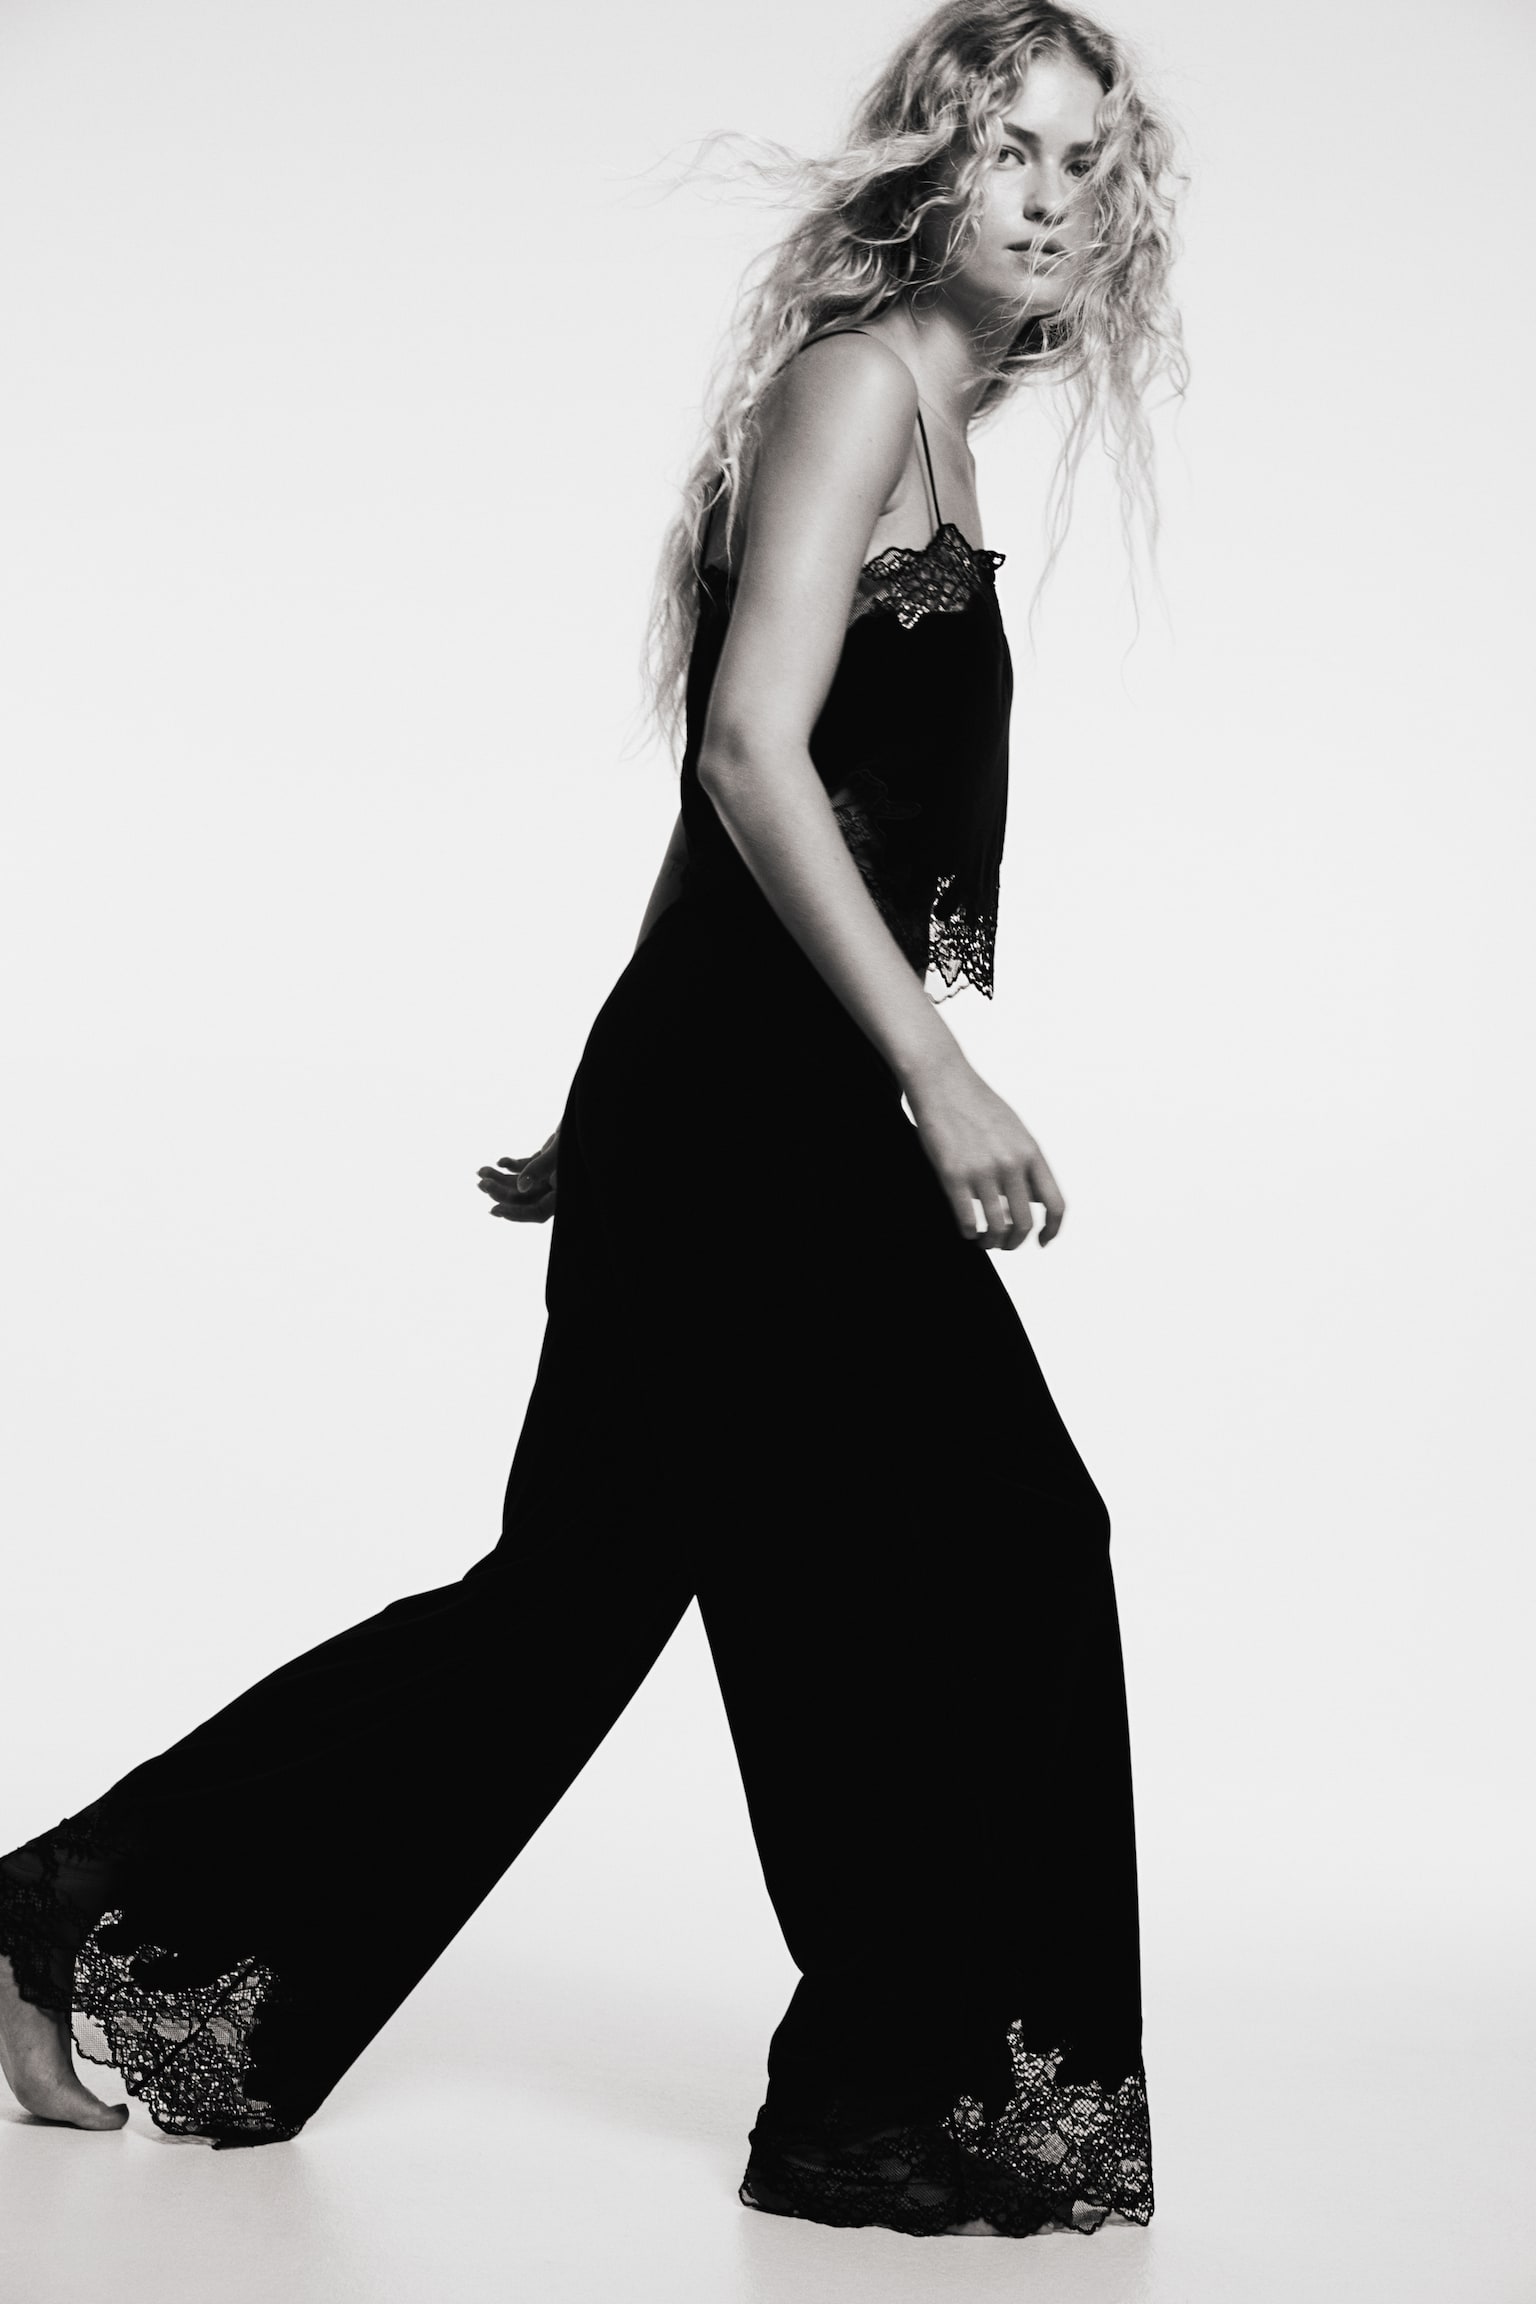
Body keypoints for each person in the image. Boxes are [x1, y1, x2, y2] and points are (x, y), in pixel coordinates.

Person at [0, 0, 1184, 2240]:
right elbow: (746, 752)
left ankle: (60, 1907)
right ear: (927, 161)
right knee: (995, 1544)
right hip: (771, 1107)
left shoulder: (939, 415)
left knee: (578, 1602)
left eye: (1086, 161)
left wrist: (610, 1085)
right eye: (1013, 148)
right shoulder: (856, 384)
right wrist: (930, 1069)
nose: (1053, 196)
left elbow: (741, 807)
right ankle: (875, 2100)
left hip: (730, 1091)